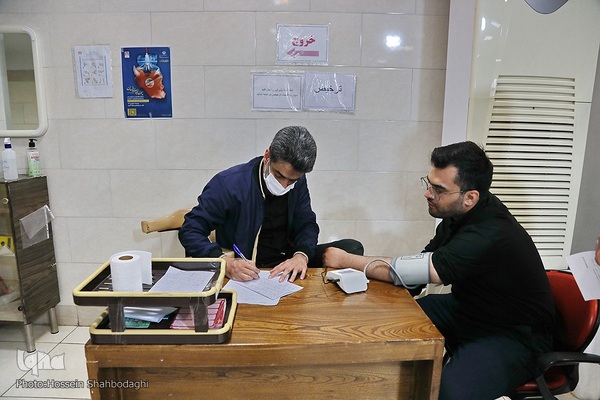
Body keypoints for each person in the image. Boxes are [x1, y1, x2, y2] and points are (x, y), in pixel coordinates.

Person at [323, 141, 555, 400]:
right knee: (389, 323)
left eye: (439, 189)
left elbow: (417, 271)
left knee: (450, 394)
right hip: (468, 309)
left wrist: (346, 259)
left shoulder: (489, 232)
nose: (427, 193)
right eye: (429, 183)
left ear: (470, 197)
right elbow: (416, 269)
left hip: (512, 333)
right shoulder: (457, 216)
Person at [179, 125, 363, 283]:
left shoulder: (298, 183)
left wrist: (301, 256)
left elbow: (306, 224)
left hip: (287, 262)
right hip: (250, 266)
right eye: (279, 175)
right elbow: (190, 229)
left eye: (292, 180)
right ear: (267, 156)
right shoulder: (229, 184)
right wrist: (224, 263)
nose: (284, 185)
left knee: (352, 248)